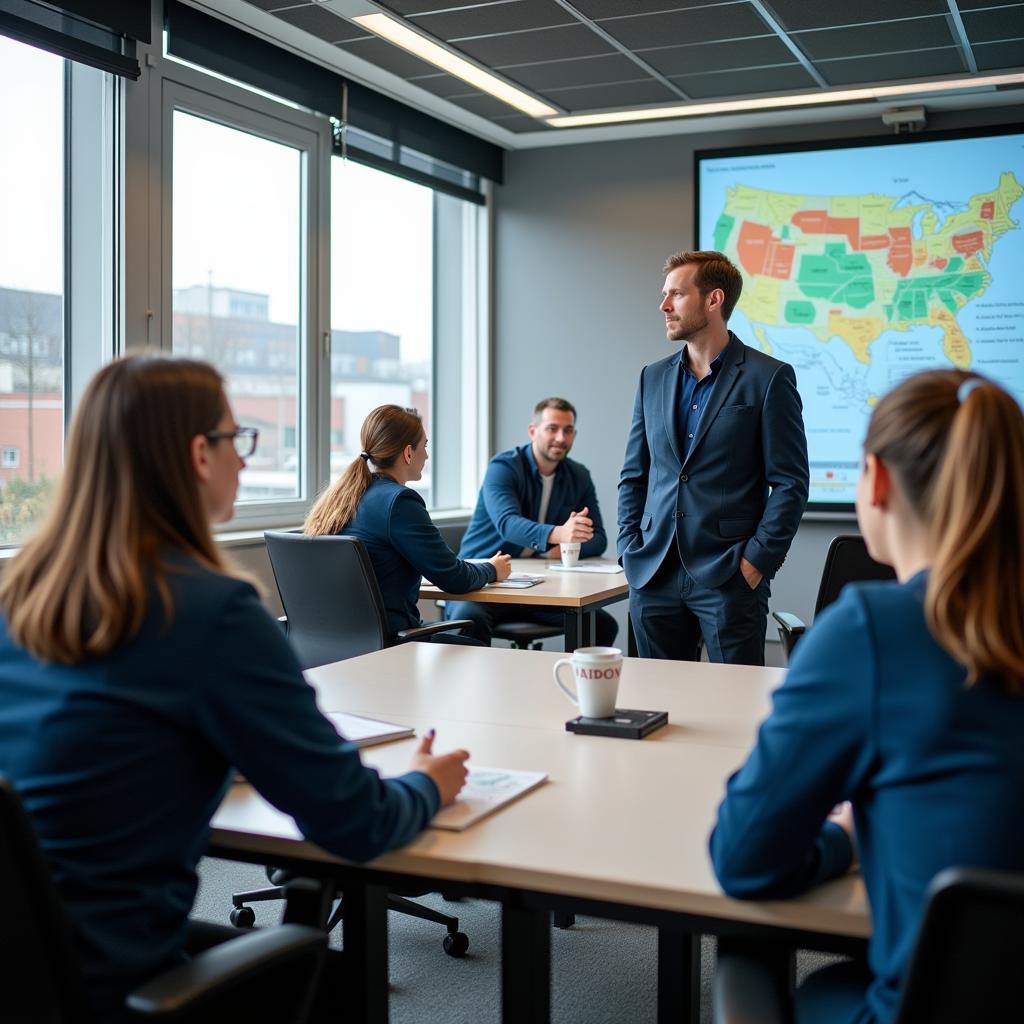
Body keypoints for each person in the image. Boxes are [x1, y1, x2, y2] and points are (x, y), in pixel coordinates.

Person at [0, 355, 471, 1023]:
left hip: (27, 967)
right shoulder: (208, 611)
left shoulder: (18, 599)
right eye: (236, 438)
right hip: (114, 982)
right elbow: (356, 823)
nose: (245, 460)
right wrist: (427, 782)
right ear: (199, 454)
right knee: (337, 981)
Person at [709, 369, 1024, 1024]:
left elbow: (743, 858)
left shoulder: (873, 631)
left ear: (875, 481)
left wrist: (845, 841)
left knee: (759, 960)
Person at [617, 250, 808, 665]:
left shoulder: (769, 377)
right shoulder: (652, 377)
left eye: (676, 295)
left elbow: (791, 482)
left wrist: (757, 562)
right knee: (655, 705)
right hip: (652, 572)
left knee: (734, 711)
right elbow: (635, 474)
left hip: (729, 576)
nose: (664, 306)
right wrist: (628, 548)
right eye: (664, 295)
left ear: (713, 300)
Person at [305, 404, 511, 642]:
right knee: (480, 658)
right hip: (390, 645)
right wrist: (492, 569)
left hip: (331, 644)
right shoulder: (399, 502)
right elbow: (454, 578)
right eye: (425, 445)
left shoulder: (340, 498)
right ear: (408, 453)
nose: (427, 454)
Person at [449, 397, 618, 647]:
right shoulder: (503, 467)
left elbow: (599, 539)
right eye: (552, 428)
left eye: (568, 430)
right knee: (468, 621)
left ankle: (572, 684)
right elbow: (508, 524)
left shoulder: (578, 476)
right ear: (532, 431)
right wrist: (560, 534)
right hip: (484, 583)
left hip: (537, 588)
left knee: (601, 624)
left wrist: (560, 549)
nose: (561, 438)